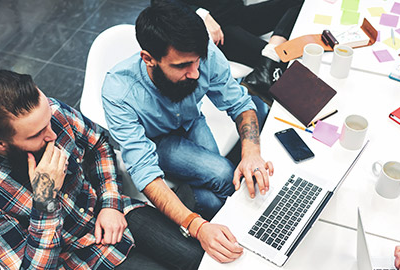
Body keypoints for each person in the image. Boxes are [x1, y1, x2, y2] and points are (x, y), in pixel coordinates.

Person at [0, 70, 204, 270]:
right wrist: (45, 200)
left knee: (199, 258)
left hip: (110, 211)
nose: (52, 133)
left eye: (48, 122)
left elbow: (99, 145)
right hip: (75, 257)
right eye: (37, 135)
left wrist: (109, 203)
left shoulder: (50, 112)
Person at [102, 0, 273, 263]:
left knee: (220, 190)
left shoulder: (202, 55)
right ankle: (205, 219)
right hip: (155, 141)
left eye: (197, 62)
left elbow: (241, 104)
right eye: (182, 66)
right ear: (149, 59)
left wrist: (250, 153)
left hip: (192, 121)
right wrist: (196, 226)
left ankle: (194, 201)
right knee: (224, 174)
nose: (195, 73)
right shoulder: (119, 91)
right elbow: (145, 174)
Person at [153, 0, 304, 102]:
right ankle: (268, 68)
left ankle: (271, 52)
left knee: (299, 2)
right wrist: (201, 14)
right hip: (219, 32)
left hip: (237, 14)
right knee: (285, 64)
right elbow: (159, 3)